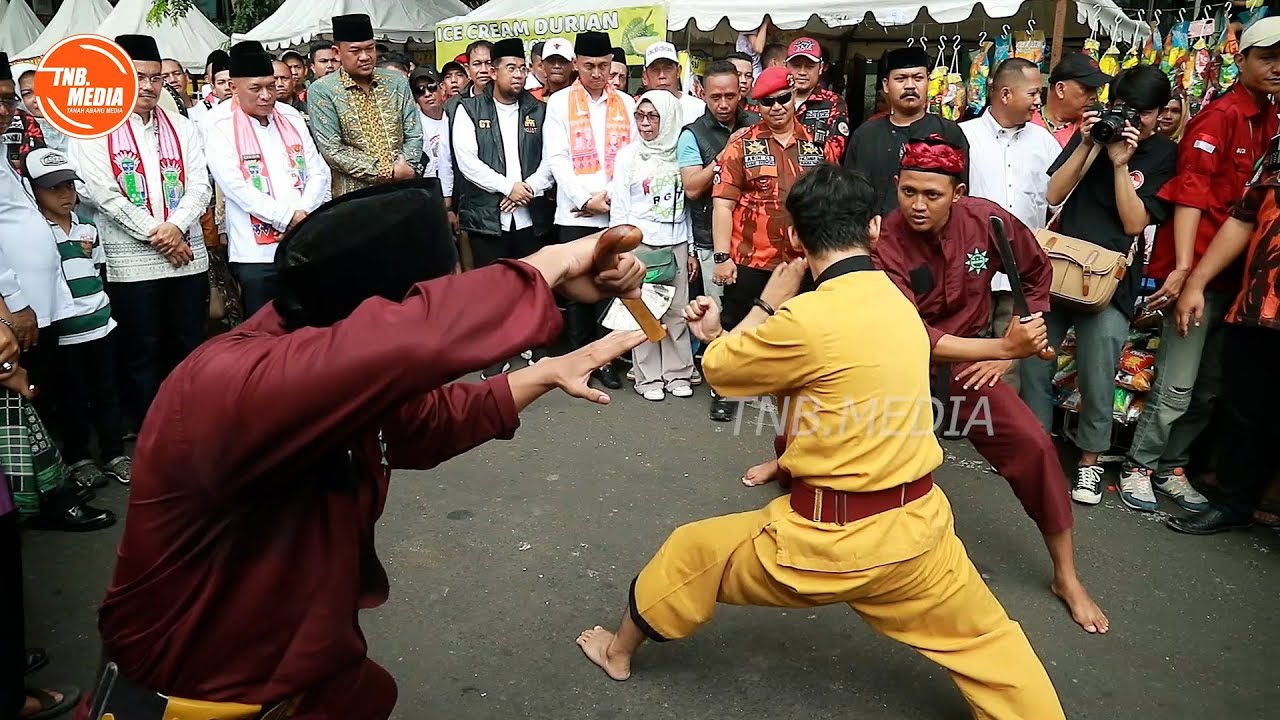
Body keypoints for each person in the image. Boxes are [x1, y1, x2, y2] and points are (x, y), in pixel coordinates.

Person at [72, 178, 648, 720]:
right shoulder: (230, 382)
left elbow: (422, 424)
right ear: (379, 309)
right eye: (436, 289)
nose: (454, 292)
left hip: (304, 669)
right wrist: (555, 261)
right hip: (196, 692)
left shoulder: (325, 359)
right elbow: (417, 340)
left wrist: (546, 372)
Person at [574, 164, 1068, 720]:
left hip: (826, 542)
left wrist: (760, 307)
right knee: (991, 645)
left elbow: (721, 371)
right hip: (920, 533)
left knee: (691, 551)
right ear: (875, 228)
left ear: (793, 237)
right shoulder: (899, 303)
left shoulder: (803, 317)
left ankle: (617, 652)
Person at [872, 136, 1109, 634]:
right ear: (896, 186)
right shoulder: (885, 241)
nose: (918, 205)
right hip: (900, 363)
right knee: (835, 422)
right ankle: (792, 474)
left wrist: (1016, 341)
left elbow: (1036, 272)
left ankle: (1066, 575)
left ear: (958, 193)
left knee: (1033, 444)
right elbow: (911, 334)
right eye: (909, 191)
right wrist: (1005, 349)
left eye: (932, 195)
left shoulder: (988, 222)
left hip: (971, 364)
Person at [1122, 20, 1280, 514]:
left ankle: (1172, 466)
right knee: (1177, 383)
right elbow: (1189, 197)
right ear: (1241, 59)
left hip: (1243, 282)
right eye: (1266, 57)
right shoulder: (1219, 117)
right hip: (1199, 278)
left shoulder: (1271, 118)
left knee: (1211, 388)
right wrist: (1188, 271)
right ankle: (1139, 466)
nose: (1277, 67)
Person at [1022, 65, 1178, 510]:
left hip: (1110, 278)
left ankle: (1089, 460)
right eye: (1125, 109)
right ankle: (1035, 445)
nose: (1133, 120)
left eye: (1143, 114)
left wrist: (1121, 164)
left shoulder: (1163, 154)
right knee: (1034, 359)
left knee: (1097, 373)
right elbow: (1054, 194)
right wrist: (1091, 144)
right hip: (1059, 266)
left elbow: (1133, 222)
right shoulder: (1092, 132)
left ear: (1159, 114)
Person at [68, 34, 212, 432]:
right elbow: (100, 193)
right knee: (140, 349)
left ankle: (190, 423)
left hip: (186, 257)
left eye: (155, 78)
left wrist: (176, 227)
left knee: (188, 342)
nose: (148, 86)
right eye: (138, 77)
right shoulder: (92, 129)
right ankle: (150, 429)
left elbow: (201, 185)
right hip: (132, 263)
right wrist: (160, 233)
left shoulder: (181, 126)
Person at [1168, 125, 1280, 535]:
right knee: (1245, 411)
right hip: (1260, 307)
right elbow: (1244, 217)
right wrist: (1196, 282)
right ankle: (1233, 504)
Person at [707, 66, 820, 422]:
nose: (777, 107)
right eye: (767, 103)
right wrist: (722, 257)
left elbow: (828, 203)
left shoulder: (816, 144)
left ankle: (788, 390)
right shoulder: (742, 144)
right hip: (750, 256)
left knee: (797, 329)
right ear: (757, 106)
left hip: (800, 259)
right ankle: (725, 389)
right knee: (738, 323)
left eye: (783, 98)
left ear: (794, 96)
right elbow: (723, 204)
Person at [24, 148, 131, 491]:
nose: (65, 194)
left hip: (100, 326)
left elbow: (97, 268)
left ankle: (114, 453)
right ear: (32, 190)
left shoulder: (87, 228)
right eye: (53, 188)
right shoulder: (37, 233)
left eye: (69, 186)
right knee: (71, 397)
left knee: (106, 392)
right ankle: (79, 458)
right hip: (66, 333)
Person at [451, 38, 555, 376]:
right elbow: (468, 162)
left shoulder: (538, 110)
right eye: (511, 68)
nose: (519, 74)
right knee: (492, 289)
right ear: (493, 72)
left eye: (522, 68)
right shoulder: (468, 110)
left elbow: (550, 160)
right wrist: (508, 187)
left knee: (532, 282)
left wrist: (528, 189)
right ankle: (495, 351)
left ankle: (534, 343)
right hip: (488, 216)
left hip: (529, 215)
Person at [204, 43, 331, 317]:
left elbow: (318, 171)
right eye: (256, 88)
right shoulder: (217, 123)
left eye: (271, 86)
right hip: (255, 254)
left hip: (303, 244)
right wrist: (288, 218)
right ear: (234, 87)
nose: (266, 96)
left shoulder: (291, 115)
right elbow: (235, 187)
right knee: (265, 329)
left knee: (309, 325)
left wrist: (303, 215)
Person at [960, 57, 1062, 392]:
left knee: (1010, 368)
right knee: (964, 359)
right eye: (1033, 93)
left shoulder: (1045, 143)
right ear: (1005, 94)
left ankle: (1002, 421)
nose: (1038, 101)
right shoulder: (964, 137)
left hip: (1021, 277)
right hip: (969, 273)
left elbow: (1056, 205)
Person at [543, 30, 638, 387]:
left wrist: (608, 198)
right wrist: (585, 200)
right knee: (575, 290)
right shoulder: (559, 103)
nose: (597, 73)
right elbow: (557, 158)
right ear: (575, 65)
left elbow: (631, 158)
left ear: (611, 64)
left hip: (614, 211)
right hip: (574, 211)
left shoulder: (626, 103)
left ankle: (606, 361)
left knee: (608, 287)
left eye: (603, 66)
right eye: (588, 66)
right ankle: (578, 362)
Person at [678, 60, 757, 413]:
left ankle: (753, 382)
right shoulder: (692, 134)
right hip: (713, 239)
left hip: (755, 238)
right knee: (719, 314)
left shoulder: (757, 123)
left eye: (730, 95)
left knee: (755, 313)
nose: (724, 104)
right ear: (702, 94)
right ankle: (721, 388)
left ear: (741, 92)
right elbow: (692, 187)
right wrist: (725, 155)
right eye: (715, 97)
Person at [609, 91, 695, 400]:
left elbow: (688, 208)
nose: (645, 124)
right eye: (640, 116)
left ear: (668, 118)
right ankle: (648, 378)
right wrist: (619, 249)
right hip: (640, 245)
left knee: (677, 313)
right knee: (643, 313)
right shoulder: (629, 156)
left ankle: (678, 373)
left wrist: (691, 249)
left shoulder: (682, 155)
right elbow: (619, 205)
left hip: (676, 244)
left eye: (653, 117)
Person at [308, 13, 422, 198]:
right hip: (355, 197)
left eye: (370, 48)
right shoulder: (322, 90)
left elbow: (414, 132)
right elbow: (333, 150)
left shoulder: (396, 82)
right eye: (355, 51)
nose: (364, 57)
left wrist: (407, 167)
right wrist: (388, 172)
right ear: (337, 53)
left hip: (401, 191)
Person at [845, 47, 969, 216]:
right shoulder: (865, 135)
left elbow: (961, 194)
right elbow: (850, 195)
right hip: (876, 230)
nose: (910, 86)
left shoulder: (949, 132)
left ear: (928, 82)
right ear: (886, 85)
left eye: (918, 78)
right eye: (901, 79)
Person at [785, 38, 848, 163]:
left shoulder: (833, 102)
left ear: (820, 68)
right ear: (785, 66)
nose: (802, 72)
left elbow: (835, 152)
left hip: (817, 173)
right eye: (796, 66)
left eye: (809, 67)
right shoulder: (773, 100)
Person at [1032, 53, 1112, 148]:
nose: (1094, 96)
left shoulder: (1093, 129)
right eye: (1086, 89)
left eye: (1096, 90)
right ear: (1060, 89)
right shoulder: (1026, 122)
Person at [410, 66, 453, 198]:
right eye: (419, 91)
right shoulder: (413, 126)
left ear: (442, 88)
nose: (427, 94)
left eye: (431, 87)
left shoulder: (455, 116)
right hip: (429, 190)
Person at [639, 42, 704, 123]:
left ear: (678, 72)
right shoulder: (636, 110)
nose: (662, 75)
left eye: (668, 68)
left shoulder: (699, 109)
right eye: (655, 69)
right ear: (645, 77)